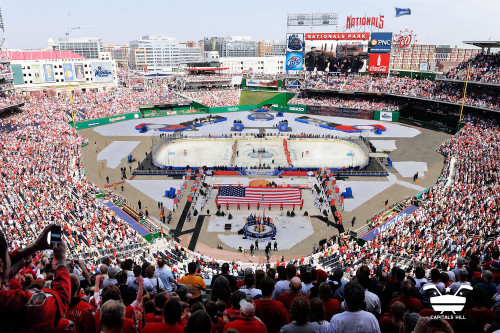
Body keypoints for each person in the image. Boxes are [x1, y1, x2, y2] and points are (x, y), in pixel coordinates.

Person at [0, 225, 71, 332]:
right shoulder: (14, 301)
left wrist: (35, 246)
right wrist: (61, 261)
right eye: (7, 254)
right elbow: (61, 298)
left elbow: (7, 266)